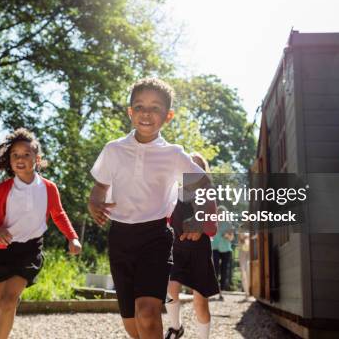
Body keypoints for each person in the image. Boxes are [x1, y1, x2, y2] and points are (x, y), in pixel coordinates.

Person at [88, 78, 216, 339]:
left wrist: (198, 219)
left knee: (147, 313)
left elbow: (204, 183)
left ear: (167, 116)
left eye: (155, 108)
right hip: (120, 238)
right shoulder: (113, 150)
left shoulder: (173, 154)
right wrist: (94, 202)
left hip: (155, 237)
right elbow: (100, 186)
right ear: (130, 112)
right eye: (139, 106)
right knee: (133, 325)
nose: (146, 113)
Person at [0, 128, 82, 339]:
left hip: (30, 249)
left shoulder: (48, 188)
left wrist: (72, 237)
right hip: (3, 250)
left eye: (26, 154)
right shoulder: (4, 189)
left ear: (36, 158)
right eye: (15, 155)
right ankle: (11, 298)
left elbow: (59, 214)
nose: (20, 158)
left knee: (7, 302)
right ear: (10, 160)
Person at [165, 152, 219, 339]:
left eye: (195, 167)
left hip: (199, 252)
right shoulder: (174, 194)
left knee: (200, 302)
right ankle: (175, 327)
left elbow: (212, 229)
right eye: (187, 166)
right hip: (177, 250)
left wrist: (199, 224)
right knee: (170, 289)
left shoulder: (208, 195)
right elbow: (166, 221)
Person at [211, 206, 235, 294]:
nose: (220, 214)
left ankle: (222, 288)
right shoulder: (213, 223)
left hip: (226, 249)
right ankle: (215, 288)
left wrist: (227, 235)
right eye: (218, 213)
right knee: (215, 268)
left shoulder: (228, 223)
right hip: (215, 247)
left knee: (224, 269)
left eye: (222, 213)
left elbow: (231, 237)